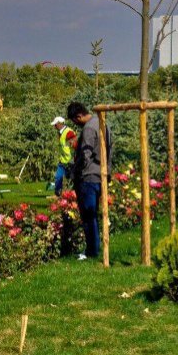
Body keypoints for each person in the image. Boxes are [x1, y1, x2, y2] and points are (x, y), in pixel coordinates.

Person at [67, 102, 112, 261]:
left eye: (74, 121)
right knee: (94, 213)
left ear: (78, 116)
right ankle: (95, 248)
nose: (75, 124)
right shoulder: (102, 125)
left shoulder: (88, 129)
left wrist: (75, 172)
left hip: (88, 177)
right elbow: (109, 151)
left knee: (88, 214)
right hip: (101, 175)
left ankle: (92, 250)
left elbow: (85, 155)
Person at [50, 116, 77, 196]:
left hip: (70, 161)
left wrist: (75, 158)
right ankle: (57, 194)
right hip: (63, 160)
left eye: (55, 124)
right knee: (58, 177)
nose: (54, 126)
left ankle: (73, 195)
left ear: (60, 124)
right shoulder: (60, 132)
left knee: (72, 179)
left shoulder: (68, 132)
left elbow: (75, 144)